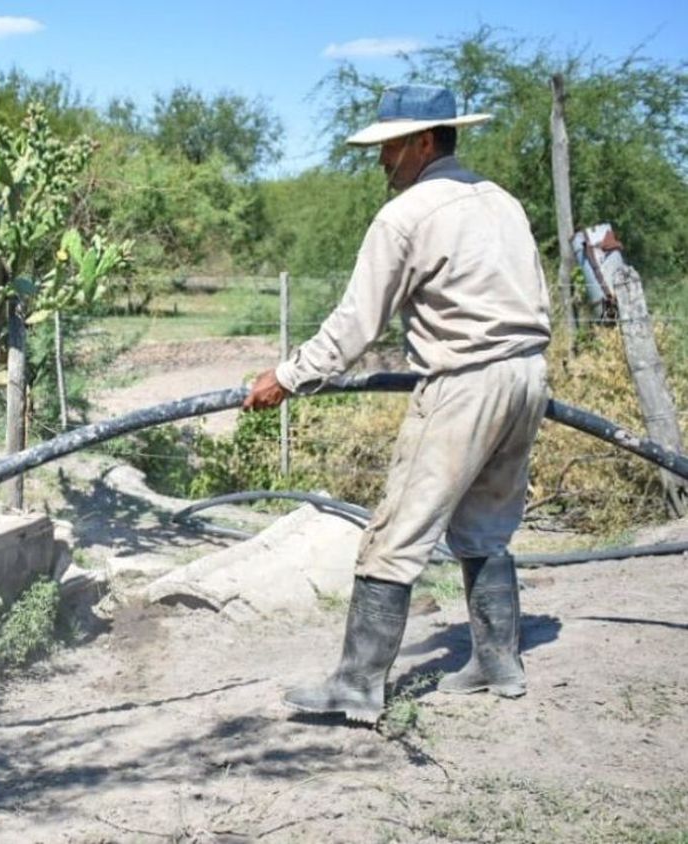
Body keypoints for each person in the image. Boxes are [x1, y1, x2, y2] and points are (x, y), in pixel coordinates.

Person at [242, 84, 553, 723]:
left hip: (464, 382)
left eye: (389, 148)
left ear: (422, 142)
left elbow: (356, 325)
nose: (382, 162)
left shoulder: (407, 216)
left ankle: (357, 685)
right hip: (527, 377)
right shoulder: (503, 203)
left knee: (396, 534)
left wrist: (288, 376)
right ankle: (499, 663)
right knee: (488, 523)